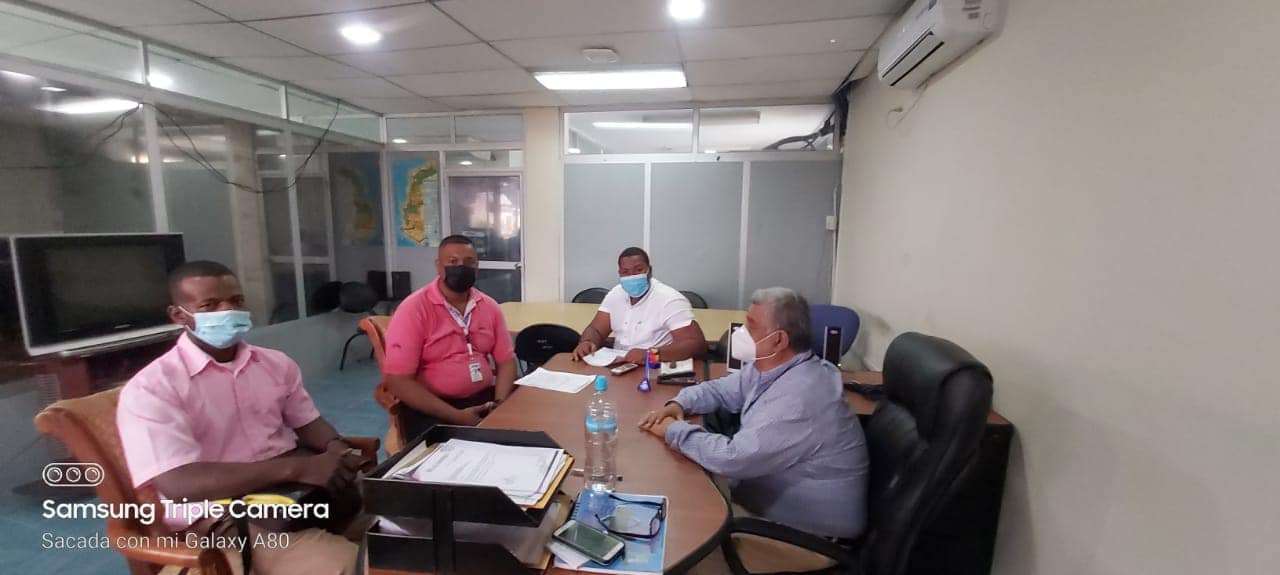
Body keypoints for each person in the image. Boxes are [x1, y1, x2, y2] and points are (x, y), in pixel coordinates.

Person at [117, 260, 361, 575]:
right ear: (178, 315)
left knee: (406, 528)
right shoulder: (153, 388)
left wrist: (337, 449)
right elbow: (179, 483)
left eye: (236, 301)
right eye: (210, 305)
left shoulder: (275, 364)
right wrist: (299, 467)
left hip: (292, 492)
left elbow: (308, 422)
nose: (227, 311)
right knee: (357, 564)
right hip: (220, 514)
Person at [639, 287, 869, 540]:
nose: (740, 333)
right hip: (760, 500)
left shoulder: (801, 399)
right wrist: (679, 404)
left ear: (778, 340)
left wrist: (673, 431)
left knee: (676, 527)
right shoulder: (775, 367)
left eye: (751, 326)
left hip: (802, 535)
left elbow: (733, 458)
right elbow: (722, 390)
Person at [382, 235, 516, 439]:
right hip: (432, 407)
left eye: (469, 262)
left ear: (477, 267)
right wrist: (456, 416)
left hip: (484, 399)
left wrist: (499, 405)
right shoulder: (413, 309)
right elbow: (398, 381)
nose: (461, 267)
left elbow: (506, 362)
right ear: (438, 266)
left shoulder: (489, 306)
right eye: (453, 262)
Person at [571, 247, 707, 365]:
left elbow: (696, 345)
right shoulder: (616, 294)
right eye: (625, 272)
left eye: (638, 270)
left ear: (649, 271)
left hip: (653, 367)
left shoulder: (670, 299)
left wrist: (651, 355)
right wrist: (587, 341)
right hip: (619, 365)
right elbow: (596, 329)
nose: (632, 276)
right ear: (619, 273)